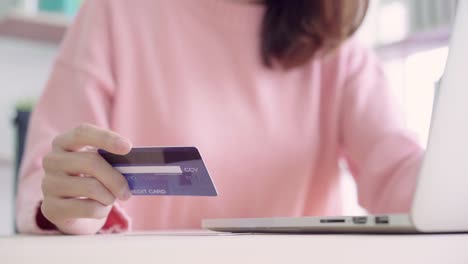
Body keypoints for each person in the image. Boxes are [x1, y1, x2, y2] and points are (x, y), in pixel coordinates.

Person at [16, 0, 423, 235]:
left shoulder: (338, 53)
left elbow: (401, 175)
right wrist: (65, 204)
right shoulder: (116, 12)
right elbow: (46, 180)